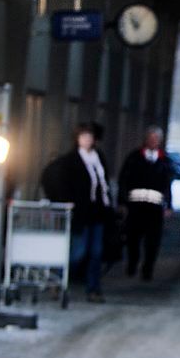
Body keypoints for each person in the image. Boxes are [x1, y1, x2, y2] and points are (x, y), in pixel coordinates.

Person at [40, 122, 114, 303]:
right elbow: (57, 179)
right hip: (81, 213)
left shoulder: (99, 158)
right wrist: (66, 200)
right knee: (77, 252)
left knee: (96, 253)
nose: (87, 140)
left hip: (98, 213)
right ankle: (57, 279)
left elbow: (104, 184)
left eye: (89, 137)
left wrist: (109, 205)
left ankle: (93, 289)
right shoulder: (71, 160)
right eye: (83, 137)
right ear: (77, 139)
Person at [118, 126, 174, 281]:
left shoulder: (164, 160)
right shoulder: (134, 157)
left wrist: (169, 205)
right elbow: (124, 179)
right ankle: (133, 263)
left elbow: (168, 184)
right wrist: (122, 202)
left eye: (156, 138)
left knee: (153, 241)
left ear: (160, 141)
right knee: (133, 238)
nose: (153, 141)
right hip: (136, 207)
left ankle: (148, 269)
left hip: (154, 208)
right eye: (150, 138)